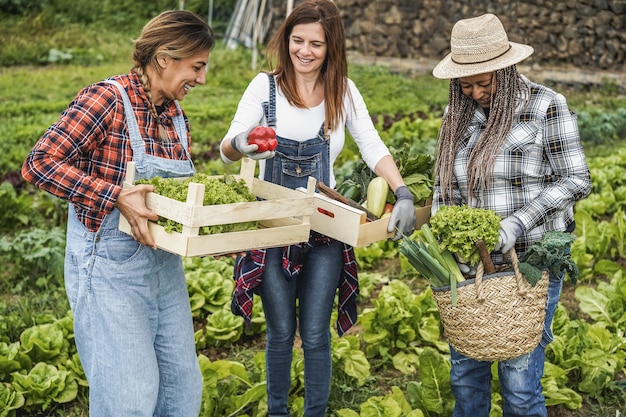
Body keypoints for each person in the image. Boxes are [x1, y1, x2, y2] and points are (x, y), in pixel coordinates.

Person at [221, 1, 416, 415]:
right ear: (285, 40)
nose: (304, 51)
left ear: (331, 48)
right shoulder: (264, 87)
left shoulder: (341, 91)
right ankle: (277, 410)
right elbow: (228, 144)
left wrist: (402, 192)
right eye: (297, 41)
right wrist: (242, 144)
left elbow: (372, 145)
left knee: (314, 334)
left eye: (316, 43)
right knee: (279, 332)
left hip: (324, 228)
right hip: (272, 229)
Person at [21, 10, 214, 417]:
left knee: (182, 392)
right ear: (164, 58)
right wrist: (114, 195)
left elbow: (167, 199)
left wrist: (208, 230)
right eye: (196, 67)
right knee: (128, 399)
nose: (201, 79)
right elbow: (39, 162)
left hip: (164, 268)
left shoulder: (175, 115)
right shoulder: (107, 99)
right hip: (109, 267)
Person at [431, 13, 592, 417]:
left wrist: (518, 221)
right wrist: (442, 238)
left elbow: (576, 179)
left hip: (529, 266)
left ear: (505, 69)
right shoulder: (456, 116)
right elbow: (443, 189)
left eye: (484, 83)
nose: (475, 93)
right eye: (465, 85)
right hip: (470, 270)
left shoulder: (545, 106)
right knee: (465, 377)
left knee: (520, 386)